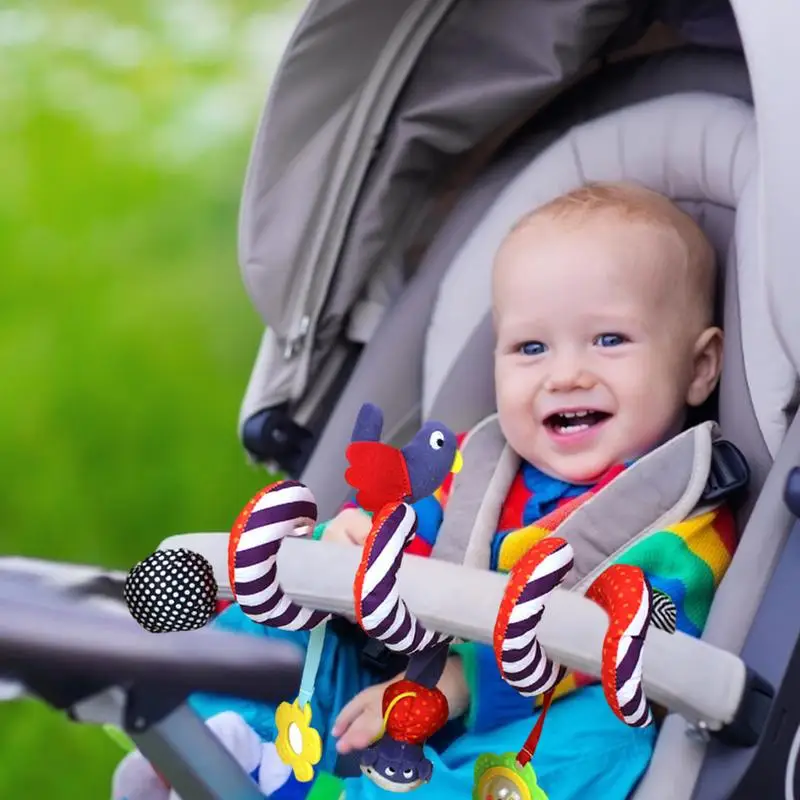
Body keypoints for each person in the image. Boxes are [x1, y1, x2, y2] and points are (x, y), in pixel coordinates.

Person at [113, 182, 737, 799]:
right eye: (530, 347)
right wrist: (352, 546)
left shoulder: (683, 521)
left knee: (609, 738)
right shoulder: (475, 465)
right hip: (404, 685)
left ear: (700, 366)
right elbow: (410, 540)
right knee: (271, 619)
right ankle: (231, 749)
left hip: (529, 727)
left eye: (609, 340)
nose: (565, 374)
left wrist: (462, 680)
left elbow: (639, 646)